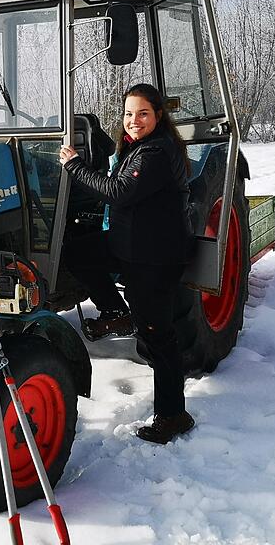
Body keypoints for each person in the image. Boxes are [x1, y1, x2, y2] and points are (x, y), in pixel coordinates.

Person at [59, 83, 194, 445]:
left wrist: (73, 165)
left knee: (157, 336)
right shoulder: (138, 148)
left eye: (143, 113)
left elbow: (118, 192)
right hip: (129, 245)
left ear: (159, 116)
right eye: (129, 113)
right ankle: (115, 312)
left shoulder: (157, 152)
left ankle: (173, 414)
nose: (134, 120)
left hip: (154, 257)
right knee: (77, 252)